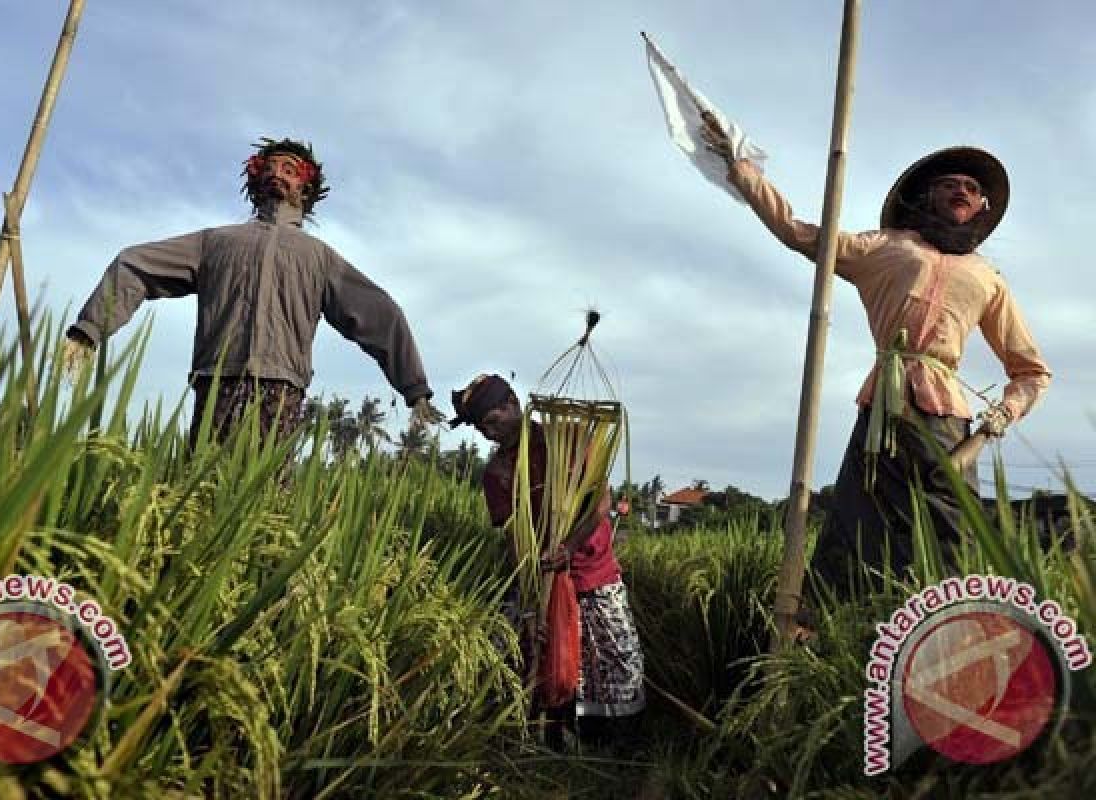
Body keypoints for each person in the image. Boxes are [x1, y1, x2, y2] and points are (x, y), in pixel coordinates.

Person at [701, 115, 1051, 597]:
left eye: (971, 188)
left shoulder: (987, 278)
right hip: (882, 411)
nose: (961, 190)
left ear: (981, 209)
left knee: (952, 532)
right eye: (949, 183)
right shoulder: (884, 247)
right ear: (926, 196)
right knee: (853, 527)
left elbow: (1031, 371)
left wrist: (999, 418)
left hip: (947, 422)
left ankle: (945, 639)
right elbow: (797, 232)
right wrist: (739, 168)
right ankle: (819, 641)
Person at [63, 137, 443, 446]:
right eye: (271, 167)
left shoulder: (320, 259)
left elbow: (381, 313)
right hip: (217, 384)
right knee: (201, 490)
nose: (279, 173)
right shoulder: (216, 243)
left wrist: (414, 390)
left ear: (304, 186)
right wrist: (88, 331)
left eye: (290, 169)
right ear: (255, 177)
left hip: (282, 393)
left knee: (266, 503)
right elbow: (135, 264)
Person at [450, 374, 645, 739]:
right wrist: (528, 588)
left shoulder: (566, 438)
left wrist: (568, 547)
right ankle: (531, 733)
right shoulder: (498, 473)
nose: (488, 433)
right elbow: (512, 536)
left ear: (512, 404)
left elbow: (601, 503)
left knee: (616, 661)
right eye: (481, 429)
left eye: (492, 422)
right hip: (538, 576)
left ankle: (612, 745)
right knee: (515, 649)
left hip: (591, 570)